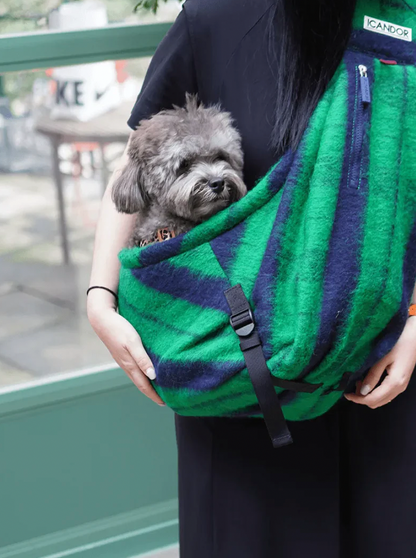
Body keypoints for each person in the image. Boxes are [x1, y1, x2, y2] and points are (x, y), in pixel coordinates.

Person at [87, 0, 416, 556]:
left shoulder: (400, 22)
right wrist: (100, 298)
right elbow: (133, 164)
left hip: (379, 379)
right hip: (236, 392)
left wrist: (414, 321)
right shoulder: (213, 17)